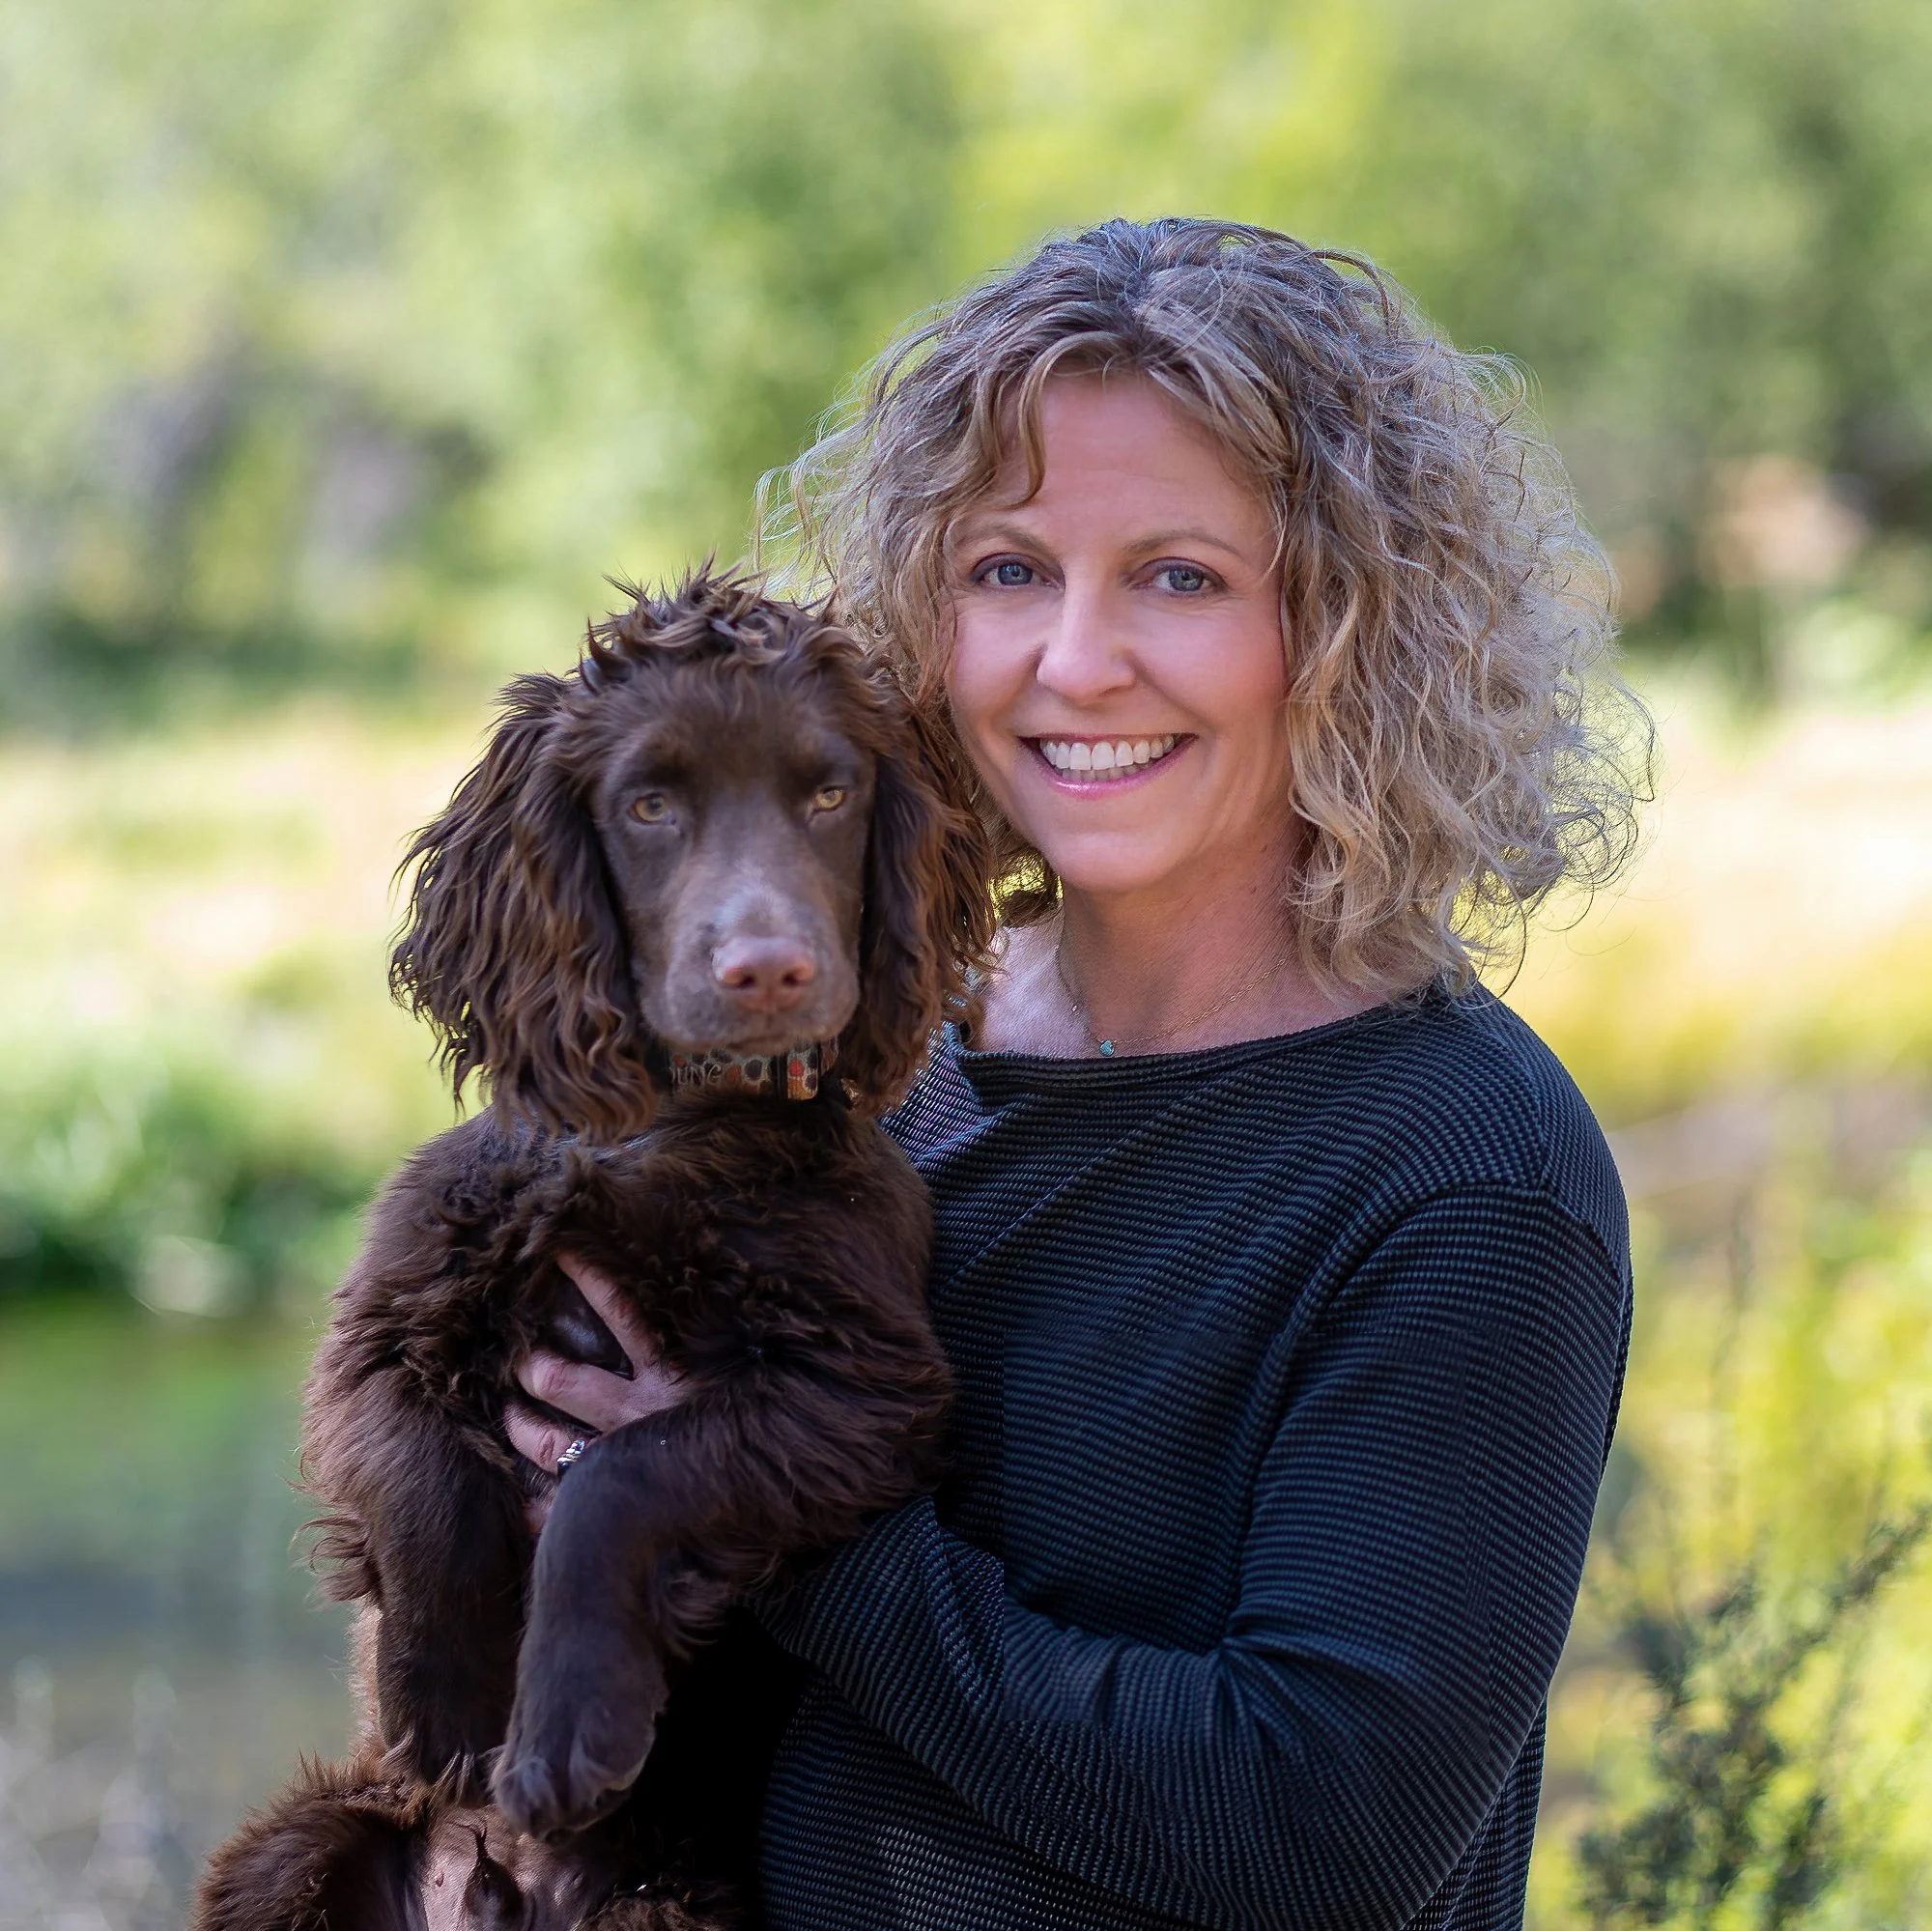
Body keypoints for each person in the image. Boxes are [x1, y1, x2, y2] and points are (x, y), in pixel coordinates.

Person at [504, 217, 1649, 1930]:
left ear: (1346, 635)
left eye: (1179, 577)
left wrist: (780, 1514)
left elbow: (1319, 1837)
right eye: (1008, 570)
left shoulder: (1467, 1175)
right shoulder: (867, 1057)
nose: (1076, 660)